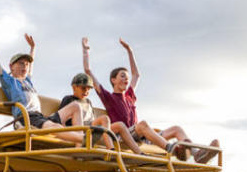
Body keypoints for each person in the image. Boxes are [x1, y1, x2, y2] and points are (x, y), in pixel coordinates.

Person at [82, 37, 220, 163]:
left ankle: (197, 154)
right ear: (113, 80)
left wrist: (130, 51)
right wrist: (85, 50)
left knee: (176, 129)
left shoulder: (129, 96)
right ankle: (171, 148)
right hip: (123, 136)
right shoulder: (109, 97)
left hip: (140, 136)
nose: (126, 79)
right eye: (122, 76)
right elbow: (88, 71)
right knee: (142, 125)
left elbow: (136, 75)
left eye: (127, 77)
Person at [0, 20, 89, 146]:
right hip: (26, 118)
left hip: (40, 117)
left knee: (75, 106)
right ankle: (84, 140)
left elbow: (32, 63)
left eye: (26, 64)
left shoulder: (27, 81)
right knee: (54, 126)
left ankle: (80, 145)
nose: (25, 66)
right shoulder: (9, 81)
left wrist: (33, 48)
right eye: (21, 63)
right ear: (11, 66)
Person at [57, 73, 124, 151]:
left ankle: (116, 147)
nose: (86, 91)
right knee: (104, 118)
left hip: (90, 128)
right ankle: (110, 148)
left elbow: (92, 119)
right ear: (74, 87)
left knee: (116, 123)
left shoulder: (88, 102)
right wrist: (64, 130)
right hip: (77, 128)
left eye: (88, 89)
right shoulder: (69, 99)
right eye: (83, 88)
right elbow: (61, 117)